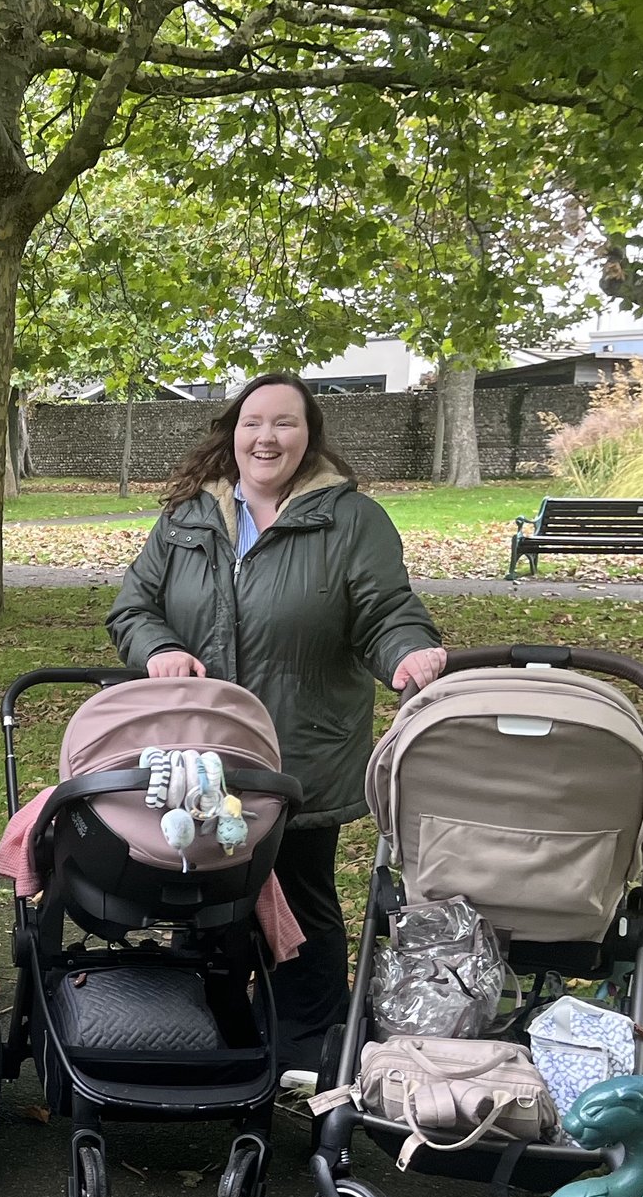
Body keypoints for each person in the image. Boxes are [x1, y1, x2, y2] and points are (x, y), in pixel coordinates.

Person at [107, 370, 448, 1072]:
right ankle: (200, 1042)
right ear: (232, 432)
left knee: (299, 901)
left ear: (309, 436)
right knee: (196, 893)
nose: (267, 437)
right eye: (253, 422)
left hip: (299, 754)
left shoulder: (351, 521)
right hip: (199, 752)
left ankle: (308, 1056)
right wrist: (160, 647)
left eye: (284, 423)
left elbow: (385, 611)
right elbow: (134, 608)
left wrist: (409, 653)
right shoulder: (185, 518)